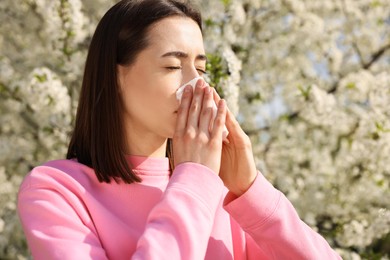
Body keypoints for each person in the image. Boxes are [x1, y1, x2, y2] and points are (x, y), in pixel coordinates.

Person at [17, 0, 341, 259]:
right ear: (115, 77)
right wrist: (194, 180)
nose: (195, 86)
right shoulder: (57, 190)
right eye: (173, 66)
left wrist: (251, 191)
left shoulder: (225, 193)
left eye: (200, 69)